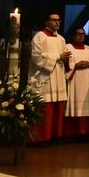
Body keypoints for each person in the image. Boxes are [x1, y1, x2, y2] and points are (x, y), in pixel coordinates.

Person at [29, 13, 70, 143]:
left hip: (58, 76)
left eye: (59, 20)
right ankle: (41, 138)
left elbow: (65, 57)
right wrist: (58, 57)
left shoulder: (61, 39)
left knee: (57, 107)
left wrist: (65, 59)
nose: (57, 23)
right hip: (44, 77)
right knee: (45, 107)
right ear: (46, 22)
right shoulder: (39, 36)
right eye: (54, 20)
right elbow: (36, 57)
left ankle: (55, 136)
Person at [64, 28, 89, 139]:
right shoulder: (68, 47)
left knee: (84, 106)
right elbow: (64, 64)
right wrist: (75, 65)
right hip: (73, 81)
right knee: (72, 106)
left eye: (83, 34)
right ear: (73, 35)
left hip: (86, 82)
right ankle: (70, 133)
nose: (81, 36)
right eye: (78, 34)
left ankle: (83, 133)